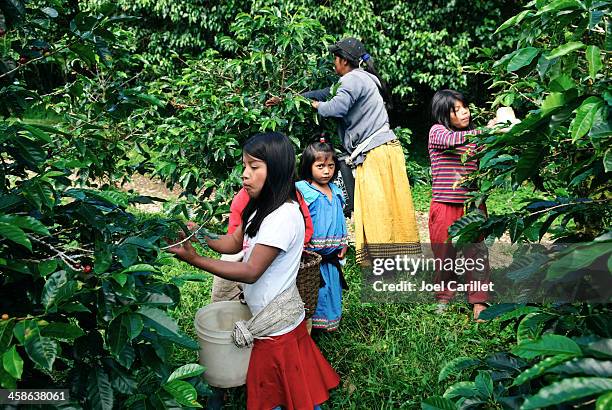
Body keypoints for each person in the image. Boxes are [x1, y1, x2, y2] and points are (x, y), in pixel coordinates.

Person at [167, 132, 339, 409]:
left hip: (277, 325)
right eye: (244, 166)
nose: (244, 175)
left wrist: (194, 259)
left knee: (282, 389)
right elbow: (235, 242)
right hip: (269, 318)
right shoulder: (259, 208)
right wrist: (200, 235)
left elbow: (250, 271)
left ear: (276, 170)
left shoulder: (283, 217)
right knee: (290, 387)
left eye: (254, 167)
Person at [266, 37, 420, 263]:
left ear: (343, 60)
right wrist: (290, 99)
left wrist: (316, 107)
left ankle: (385, 262)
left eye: (334, 58)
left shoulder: (352, 80)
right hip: (384, 150)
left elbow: (334, 107)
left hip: (376, 153)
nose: (333, 62)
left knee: (377, 208)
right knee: (390, 206)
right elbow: (325, 92)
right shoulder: (363, 78)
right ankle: (396, 258)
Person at [428, 89, 494, 321]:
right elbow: (453, 140)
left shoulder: (476, 138)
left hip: (472, 207)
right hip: (445, 206)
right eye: (455, 110)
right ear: (444, 115)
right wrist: (490, 129)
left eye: (464, 107)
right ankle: (444, 294)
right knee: (444, 253)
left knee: (475, 253)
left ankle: (479, 299)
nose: (463, 112)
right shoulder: (438, 133)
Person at [296, 137, 349, 332]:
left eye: (331, 166)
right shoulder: (302, 189)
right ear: (309, 166)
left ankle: (328, 325)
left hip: (332, 256)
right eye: (320, 166)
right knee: (312, 291)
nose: (326, 171)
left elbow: (340, 219)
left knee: (331, 289)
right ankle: (310, 327)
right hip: (312, 256)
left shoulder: (335, 190)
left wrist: (344, 243)